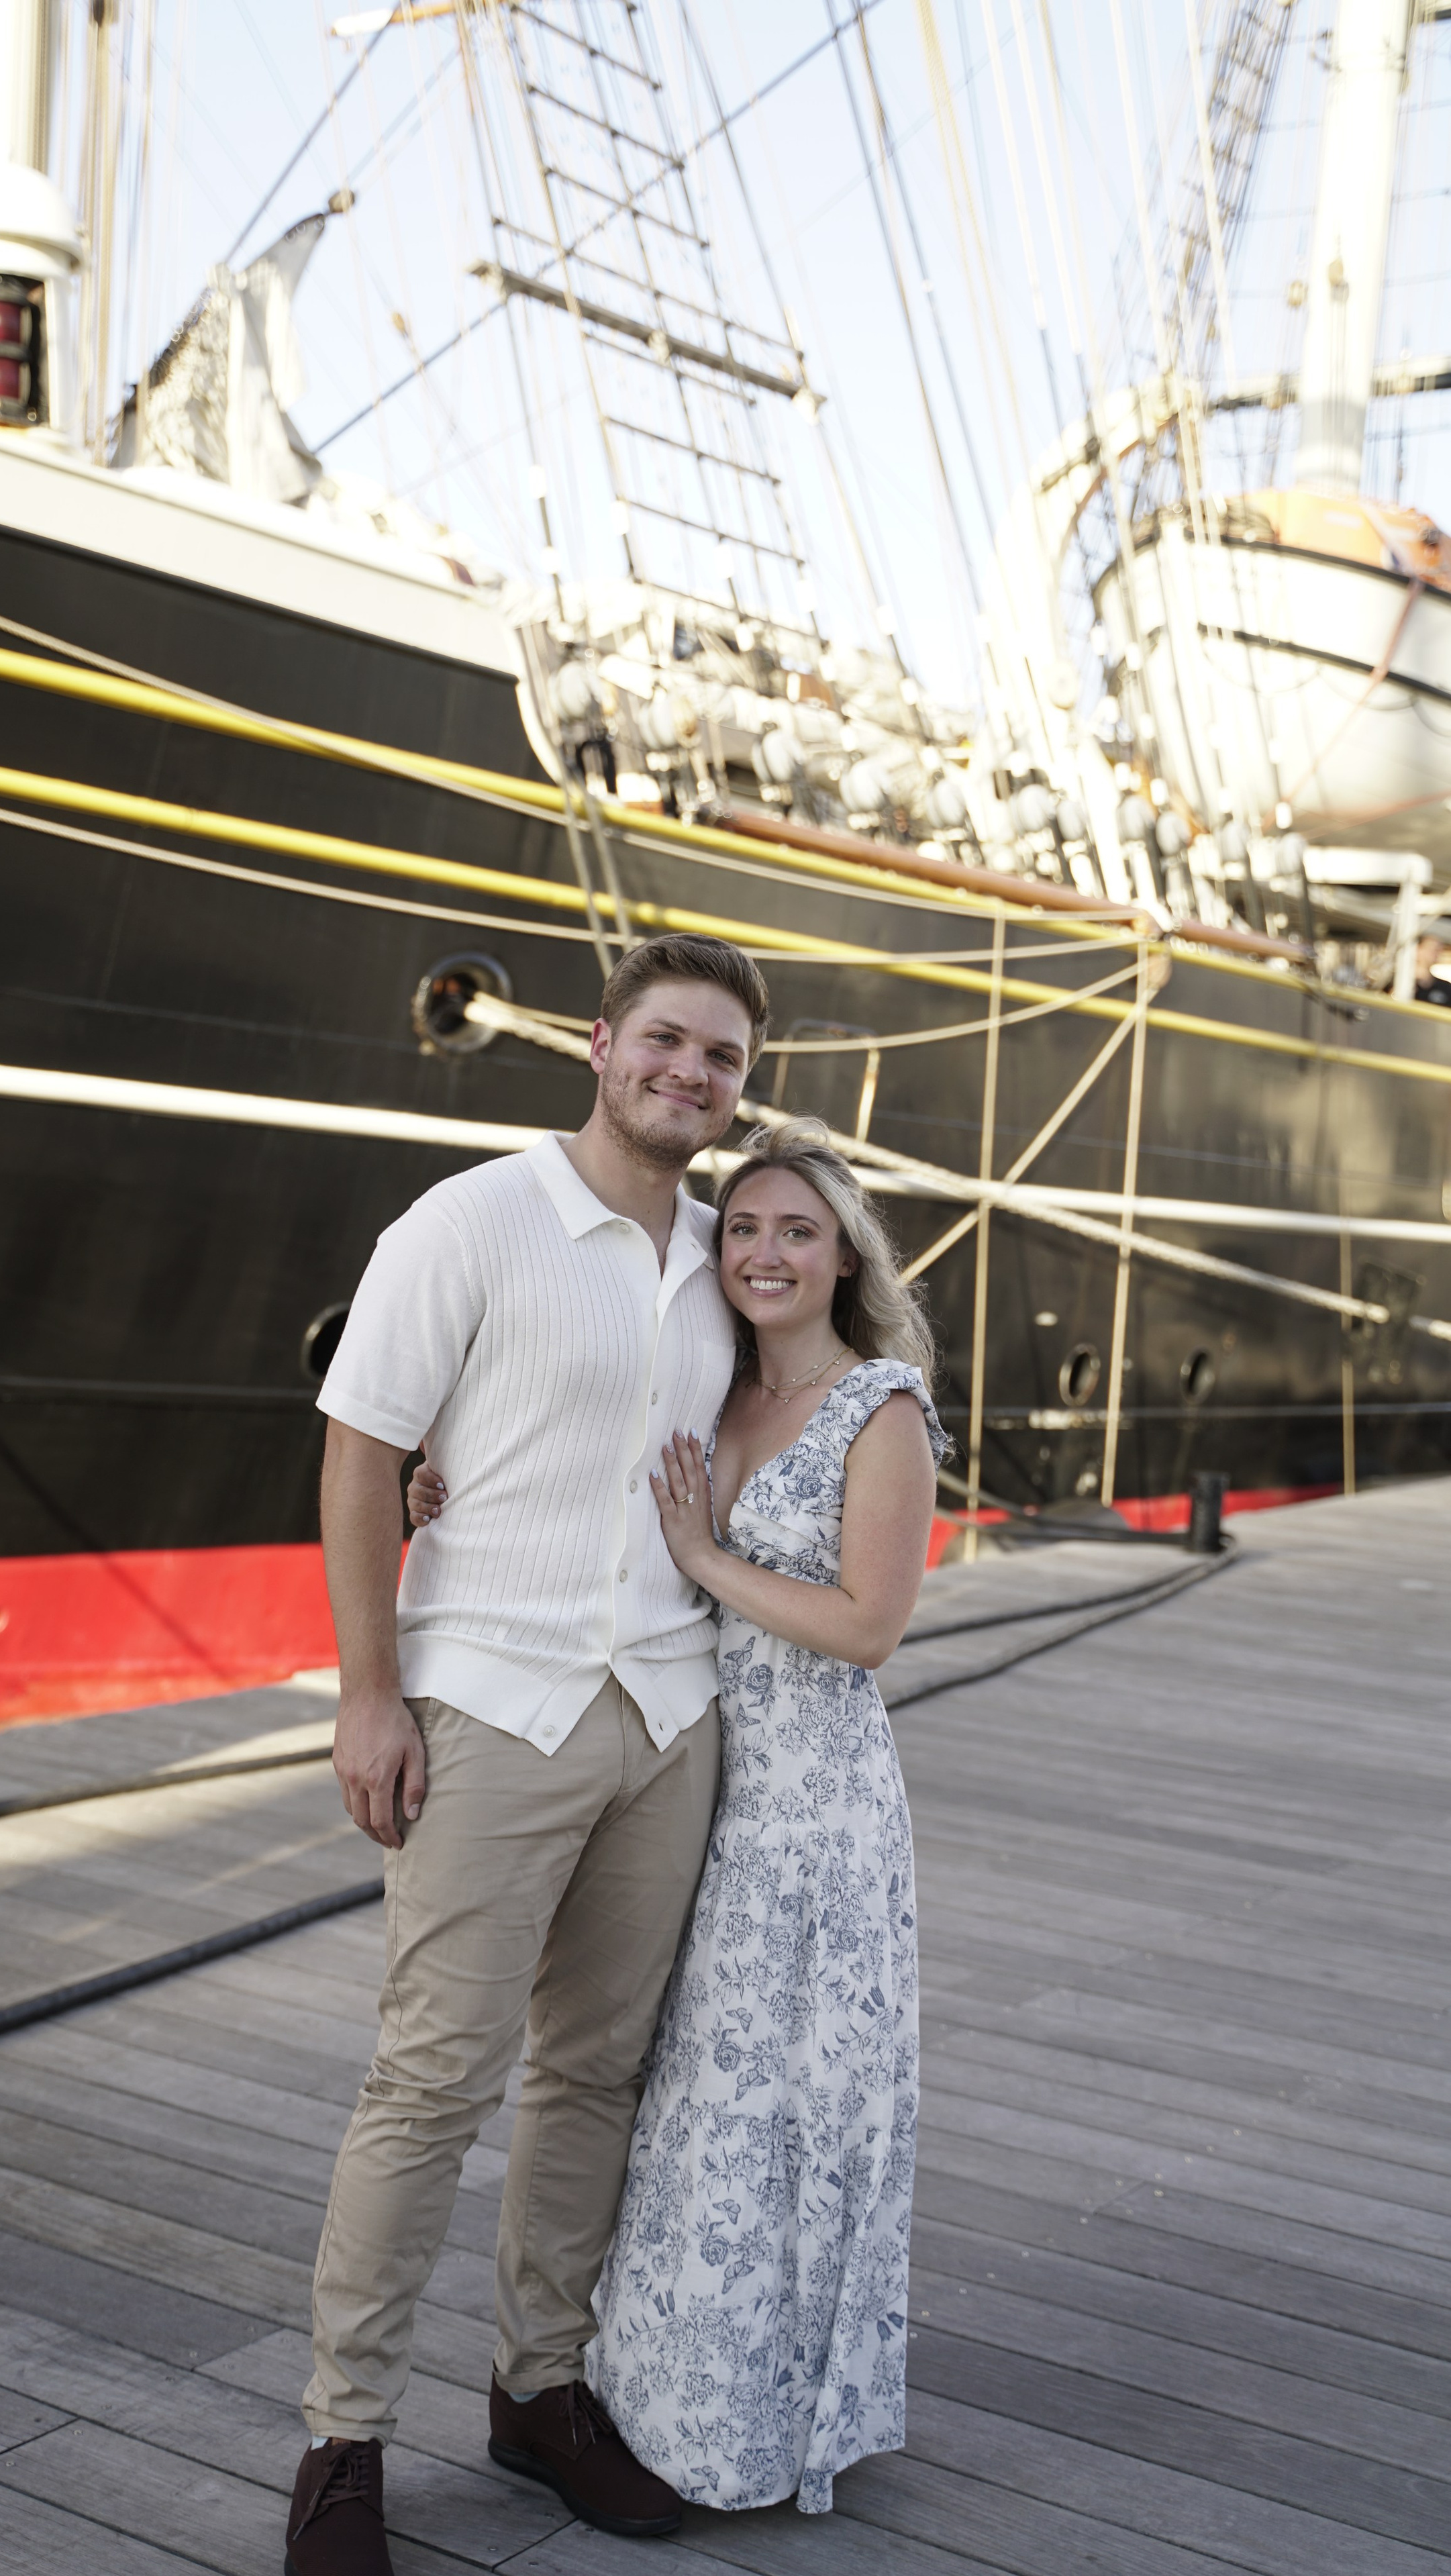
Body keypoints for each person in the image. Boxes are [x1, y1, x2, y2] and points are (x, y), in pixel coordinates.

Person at [285, 932, 770, 2576]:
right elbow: (361, 1455)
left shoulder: (726, 1258)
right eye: (666, 1042)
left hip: (665, 1713)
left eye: (718, 1058)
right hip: (488, 1701)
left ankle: (537, 2386)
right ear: (597, 1042)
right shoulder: (469, 1221)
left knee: (594, 2077)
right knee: (428, 2079)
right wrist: (369, 1691)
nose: (688, 1075)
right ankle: (342, 2440)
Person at [410, 1118, 947, 2515]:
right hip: (693, 1771)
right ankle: (652, 2391)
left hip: (808, 1809)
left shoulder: (874, 1404)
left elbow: (869, 1625)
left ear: (843, 1260)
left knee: (781, 2106)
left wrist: (707, 1551)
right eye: (748, 1229)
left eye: (798, 1233)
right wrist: (444, 1478)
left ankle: (762, 2411)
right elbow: (590, 1479)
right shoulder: (714, 1394)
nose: (764, 1252)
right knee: (686, 2101)